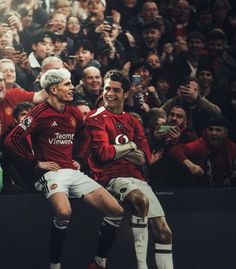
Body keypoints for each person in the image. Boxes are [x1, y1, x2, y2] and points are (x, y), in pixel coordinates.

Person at [4, 68, 124, 269]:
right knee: (64, 212)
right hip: (51, 174)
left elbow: (86, 136)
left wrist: (78, 158)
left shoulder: (73, 112)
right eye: (67, 84)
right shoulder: (39, 113)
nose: (72, 88)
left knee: (116, 211)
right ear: (53, 89)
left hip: (73, 171)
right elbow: (12, 140)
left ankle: (99, 262)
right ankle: (55, 264)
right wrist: (35, 163)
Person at [86, 69, 173, 269]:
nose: (110, 94)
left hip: (138, 178)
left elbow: (145, 157)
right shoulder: (95, 117)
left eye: (116, 90)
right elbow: (104, 154)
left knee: (164, 232)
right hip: (109, 177)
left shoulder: (133, 120)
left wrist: (121, 150)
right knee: (139, 200)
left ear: (126, 94)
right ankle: (141, 266)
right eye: (107, 88)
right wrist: (131, 146)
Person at [169, 115, 236, 187]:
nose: (213, 133)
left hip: (226, 190)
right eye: (210, 129)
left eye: (218, 130)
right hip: (201, 190)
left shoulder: (231, 147)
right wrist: (191, 166)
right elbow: (175, 150)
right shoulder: (200, 144)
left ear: (226, 133)